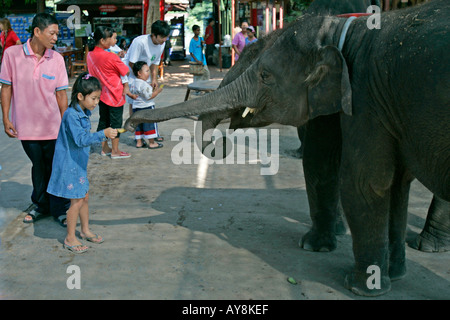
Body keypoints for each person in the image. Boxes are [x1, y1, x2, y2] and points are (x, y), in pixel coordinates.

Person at [0, 13, 70, 226]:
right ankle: (41, 205)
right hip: (26, 126)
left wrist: (65, 123)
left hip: (52, 126)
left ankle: (59, 209)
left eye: (57, 33)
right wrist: (6, 118)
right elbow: (6, 88)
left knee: (54, 166)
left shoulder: (56, 59)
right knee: (38, 166)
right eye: (52, 33)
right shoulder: (12, 54)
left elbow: (61, 95)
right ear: (37, 32)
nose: (55, 38)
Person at [47, 73, 117, 253]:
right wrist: (103, 134)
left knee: (84, 197)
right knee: (76, 201)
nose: (96, 102)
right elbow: (80, 140)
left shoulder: (83, 112)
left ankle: (85, 230)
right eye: (93, 98)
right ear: (80, 96)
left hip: (78, 164)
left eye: (98, 98)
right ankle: (70, 238)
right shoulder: (71, 115)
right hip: (69, 165)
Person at [86, 26, 132, 159]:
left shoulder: (90, 55)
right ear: (102, 40)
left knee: (103, 120)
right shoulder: (111, 56)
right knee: (116, 124)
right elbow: (126, 71)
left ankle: (104, 148)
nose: (115, 40)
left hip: (100, 94)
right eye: (113, 38)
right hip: (115, 94)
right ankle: (115, 150)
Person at [123, 20, 169, 144]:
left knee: (148, 103)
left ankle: (151, 134)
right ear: (154, 35)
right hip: (133, 73)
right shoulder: (140, 42)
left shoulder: (162, 44)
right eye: (161, 37)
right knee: (135, 102)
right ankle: (137, 133)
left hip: (145, 72)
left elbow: (154, 63)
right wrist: (140, 81)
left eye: (165, 37)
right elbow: (132, 63)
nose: (164, 40)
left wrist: (153, 78)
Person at [129, 61, 164, 149]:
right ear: (139, 73)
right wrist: (157, 91)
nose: (149, 73)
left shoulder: (134, 83)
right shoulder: (143, 85)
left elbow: (139, 90)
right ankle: (152, 143)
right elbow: (149, 96)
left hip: (136, 108)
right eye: (147, 71)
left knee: (138, 125)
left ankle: (139, 142)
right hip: (147, 107)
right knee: (149, 124)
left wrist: (148, 86)